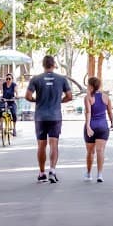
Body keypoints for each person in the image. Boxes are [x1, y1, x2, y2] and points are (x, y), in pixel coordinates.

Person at [25, 54, 75, 183]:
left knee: (41, 145)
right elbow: (70, 96)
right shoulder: (61, 79)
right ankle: (52, 170)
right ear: (54, 65)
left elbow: (28, 96)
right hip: (55, 116)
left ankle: (42, 173)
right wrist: (59, 101)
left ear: (43, 65)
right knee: (54, 144)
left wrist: (37, 100)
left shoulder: (36, 79)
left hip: (41, 116)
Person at [82, 76, 113, 182]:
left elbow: (88, 112)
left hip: (92, 126)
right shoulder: (106, 97)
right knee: (100, 151)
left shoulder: (88, 98)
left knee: (90, 152)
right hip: (103, 127)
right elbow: (110, 112)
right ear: (99, 85)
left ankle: (88, 173)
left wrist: (88, 127)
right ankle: (100, 175)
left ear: (90, 86)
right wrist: (112, 123)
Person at [0, 68, 18, 136]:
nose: (8, 80)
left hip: (11, 101)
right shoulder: (3, 84)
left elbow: (16, 91)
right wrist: (0, 83)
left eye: (9, 79)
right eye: (7, 79)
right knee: (0, 110)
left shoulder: (14, 85)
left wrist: (16, 96)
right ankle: (1, 124)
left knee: (14, 113)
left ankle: (14, 128)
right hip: (4, 100)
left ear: (12, 79)